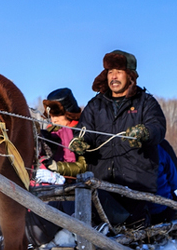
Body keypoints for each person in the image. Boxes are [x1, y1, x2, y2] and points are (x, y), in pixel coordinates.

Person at [71, 49, 167, 227]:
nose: (113, 77)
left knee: (133, 229)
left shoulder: (146, 102)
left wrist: (144, 132)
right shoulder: (95, 105)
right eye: (110, 72)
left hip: (135, 182)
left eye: (119, 72)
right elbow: (85, 130)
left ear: (130, 75)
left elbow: (158, 127)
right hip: (101, 181)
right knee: (96, 225)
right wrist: (80, 141)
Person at [27, 88, 87, 247]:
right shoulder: (52, 133)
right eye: (51, 115)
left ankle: (71, 235)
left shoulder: (82, 131)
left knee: (65, 202)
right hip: (53, 186)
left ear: (68, 112)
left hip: (75, 187)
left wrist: (57, 167)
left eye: (57, 115)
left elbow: (84, 165)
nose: (53, 119)